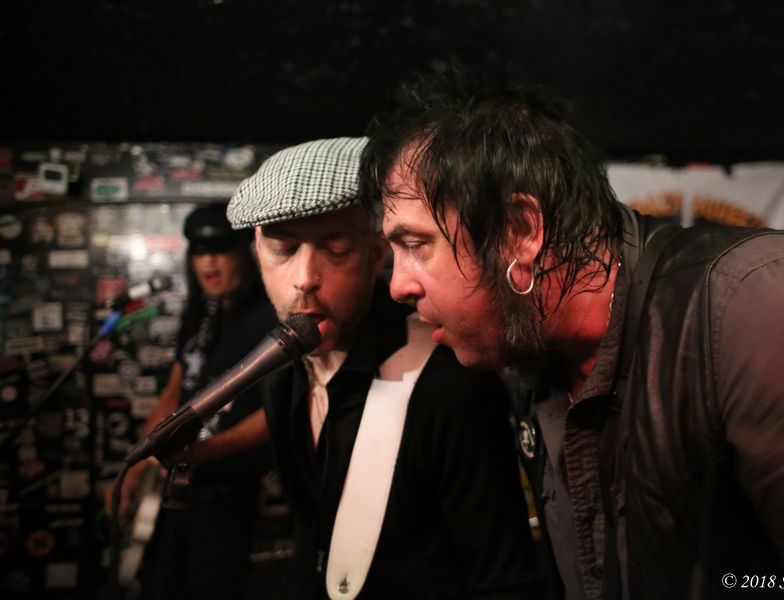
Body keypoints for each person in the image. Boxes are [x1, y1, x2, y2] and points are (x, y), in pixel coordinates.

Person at [359, 66, 784, 600]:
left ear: (519, 230)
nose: (398, 285)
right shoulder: (530, 352)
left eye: (416, 245)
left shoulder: (766, 310)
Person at [225, 137, 539, 599]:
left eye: (335, 248)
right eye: (283, 250)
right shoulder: (281, 374)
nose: (304, 278)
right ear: (257, 252)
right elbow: (315, 536)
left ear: (376, 254)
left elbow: (504, 579)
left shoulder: (448, 382)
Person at [105, 204, 278, 600]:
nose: (209, 262)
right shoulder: (197, 315)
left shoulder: (268, 316)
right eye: (199, 252)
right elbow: (172, 395)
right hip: (173, 493)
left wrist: (207, 451)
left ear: (244, 253)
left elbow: (280, 411)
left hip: (227, 497)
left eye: (220, 250)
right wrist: (135, 469)